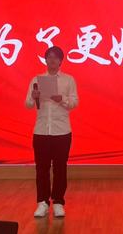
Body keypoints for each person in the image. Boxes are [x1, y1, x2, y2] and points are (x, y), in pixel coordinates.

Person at [25, 46, 78, 218]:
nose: (52, 60)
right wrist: (33, 96)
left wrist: (61, 99)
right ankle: (42, 202)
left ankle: (58, 202)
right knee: (41, 168)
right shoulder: (36, 79)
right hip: (41, 131)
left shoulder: (68, 80)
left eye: (56, 57)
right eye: (49, 57)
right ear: (45, 60)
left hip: (61, 131)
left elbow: (75, 102)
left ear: (61, 61)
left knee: (60, 168)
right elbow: (28, 104)